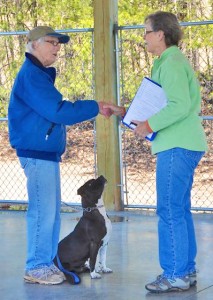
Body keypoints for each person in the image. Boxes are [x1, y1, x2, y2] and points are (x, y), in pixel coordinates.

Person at [8, 26, 125, 285]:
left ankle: (46, 263)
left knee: (51, 213)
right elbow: (58, 111)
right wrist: (97, 106)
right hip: (38, 154)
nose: (57, 47)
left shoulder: (39, 75)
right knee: (43, 212)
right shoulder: (32, 76)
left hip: (45, 154)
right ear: (34, 45)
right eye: (51, 42)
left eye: (59, 43)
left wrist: (96, 107)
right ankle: (36, 266)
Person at [132, 12, 208, 293]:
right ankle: (185, 270)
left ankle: (174, 273)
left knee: (169, 210)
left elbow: (178, 104)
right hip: (181, 143)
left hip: (176, 145)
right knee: (179, 209)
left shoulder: (172, 62)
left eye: (146, 32)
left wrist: (149, 124)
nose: (144, 38)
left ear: (160, 34)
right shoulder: (168, 61)